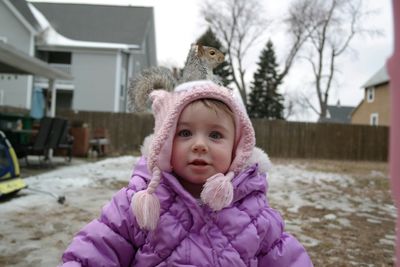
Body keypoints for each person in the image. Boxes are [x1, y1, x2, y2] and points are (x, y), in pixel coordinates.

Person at [59, 80, 313, 266]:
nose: (199, 144)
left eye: (215, 135)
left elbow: (288, 259)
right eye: (184, 133)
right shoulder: (140, 203)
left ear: (237, 148)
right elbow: (96, 249)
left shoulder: (254, 214)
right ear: (164, 142)